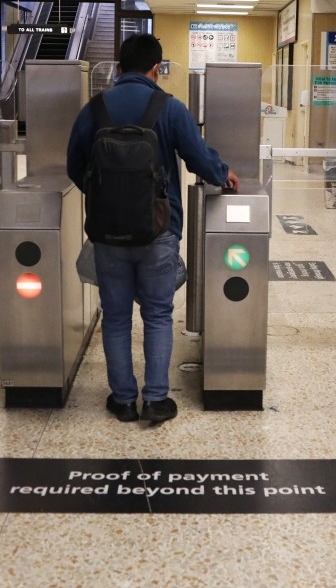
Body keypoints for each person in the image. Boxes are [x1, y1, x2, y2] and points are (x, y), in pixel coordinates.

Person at [67, 34, 238, 425]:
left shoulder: (93, 110)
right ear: (156, 69)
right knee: (158, 315)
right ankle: (156, 399)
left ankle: (124, 400)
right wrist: (223, 173)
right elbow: (199, 159)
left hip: (107, 234)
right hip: (159, 232)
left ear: (119, 68)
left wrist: (106, 199)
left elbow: (74, 166)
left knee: (115, 316)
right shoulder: (170, 108)